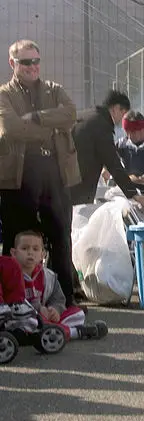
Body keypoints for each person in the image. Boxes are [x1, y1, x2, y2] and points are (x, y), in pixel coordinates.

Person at [0, 39, 81, 309]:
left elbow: (70, 115)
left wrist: (35, 118)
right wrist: (51, 125)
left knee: (60, 236)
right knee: (17, 239)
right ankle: (12, 302)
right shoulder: (4, 94)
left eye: (36, 61)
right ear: (13, 64)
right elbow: (10, 128)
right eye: (25, 62)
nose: (32, 66)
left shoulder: (53, 90)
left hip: (55, 172)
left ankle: (63, 301)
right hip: (20, 176)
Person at [11, 230, 107, 340]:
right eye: (24, 248)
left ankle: (49, 331)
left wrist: (55, 310)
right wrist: (37, 310)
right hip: (23, 318)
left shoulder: (49, 277)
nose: (30, 253)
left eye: (35, 249)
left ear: (43, 254)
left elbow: (58, 299)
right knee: (24, 323)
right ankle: (73, 332)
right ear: (14, 253)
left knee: (77, 314)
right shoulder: (10, 276)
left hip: (46, 318)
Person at [70, 90, 144, 206]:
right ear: (116, 108)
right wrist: (133, 194)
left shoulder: (85, 116)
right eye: (124, 113)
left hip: (64, 180)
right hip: (79, 186)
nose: (123, 119)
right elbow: (113, 163)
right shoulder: (101, 126)